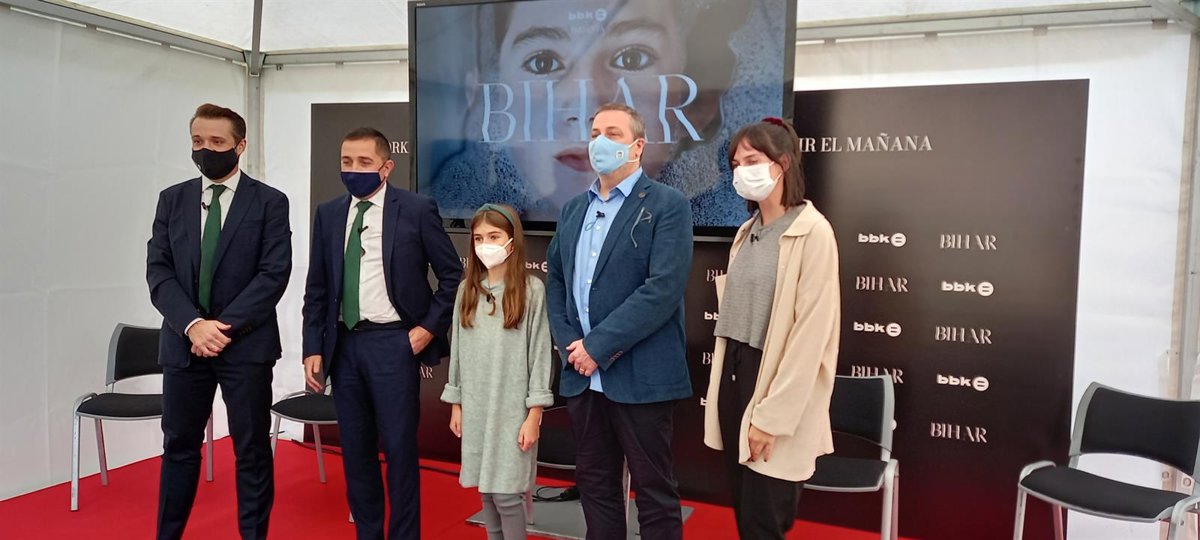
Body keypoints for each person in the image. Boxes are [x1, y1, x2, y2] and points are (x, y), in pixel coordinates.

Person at [423, 0, 790, 225]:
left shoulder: (675, 214)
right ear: (487, 94)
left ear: (693, 101)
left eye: (632, 58)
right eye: (543, 62)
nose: (587, 110)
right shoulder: (565, 216)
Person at [301, 127, 462, 540]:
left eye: (364, 162)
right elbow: (317, 287)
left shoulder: (416, 209)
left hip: (395, 344)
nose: (353, 170)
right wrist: (312, 347)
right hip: (344, 346)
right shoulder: (329, 213)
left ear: (386, 167)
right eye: (346, 162)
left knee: (400, 451)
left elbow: (452, 276)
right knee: (356, 452)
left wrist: (426, 329)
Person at [545, 103, 693, 540]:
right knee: (595, 486)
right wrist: (571, 347)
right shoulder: (574, 209)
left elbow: (662, 289)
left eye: (612, 133)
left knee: (654, 492)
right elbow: (556, 281)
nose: (599, 142)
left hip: (640, 377)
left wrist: (597, 347)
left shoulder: (668, 205)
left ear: (637, 146)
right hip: (582, 377)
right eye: (594, 133)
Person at [147, 103, 292, 540]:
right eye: (198, 141)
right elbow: (159, 272)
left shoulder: (270, 202)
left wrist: (220, 328)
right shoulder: (172, 199)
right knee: (178, 448)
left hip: (245, 348)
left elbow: (273, 275)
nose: (205, 149)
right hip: (184, 346)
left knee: (251, 450)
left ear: (240, 146)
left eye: (216, 142)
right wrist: (193, 325)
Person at [702, 118, 841, 539]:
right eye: (736, 164)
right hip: (736, 377)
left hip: (775, 382)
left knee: (765, 519)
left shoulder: (813, 232)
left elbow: (809, 338)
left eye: (752, 160)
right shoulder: (747, 232)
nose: (741, 171)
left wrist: (772, 419)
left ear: (782, 164)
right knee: (746, 512)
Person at [441, 203, 554, 540]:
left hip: (512, 411)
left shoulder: (531, 291)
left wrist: (534, 414)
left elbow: (540, 354)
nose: (485, 244)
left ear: (511, 240)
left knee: (506, 493)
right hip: (476, 408)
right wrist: (456, 403)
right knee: (487, 492)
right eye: (478, 238)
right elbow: (457, 351)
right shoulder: (467, 291)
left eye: (493, 236)